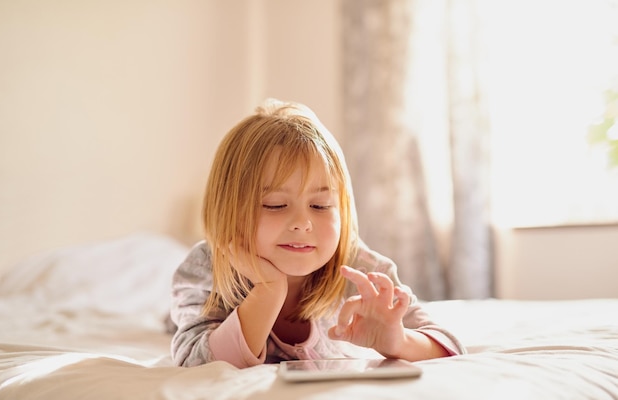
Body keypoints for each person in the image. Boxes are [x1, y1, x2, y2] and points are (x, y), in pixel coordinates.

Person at [170, 98, 465, 368]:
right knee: (173, 321)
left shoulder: (362, 271)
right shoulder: (208, 267)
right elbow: (195, 363)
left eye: (320, 205)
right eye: (275, 205)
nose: (303, 223)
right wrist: (268, 291)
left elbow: (448, 346)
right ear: (229, 211)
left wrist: (397, 340)